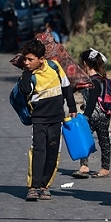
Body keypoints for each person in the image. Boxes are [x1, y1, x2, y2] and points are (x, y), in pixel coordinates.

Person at [17, 39, 77, 201]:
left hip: (56, 119)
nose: (27, 62)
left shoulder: (54, 67)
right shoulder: (28, 74)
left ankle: (45, 185)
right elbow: (24, 90)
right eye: (25, 59)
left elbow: (66, 88)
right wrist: (27, 72)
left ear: (41, 59)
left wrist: (72, 108)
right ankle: (34, 186)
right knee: (38, 151)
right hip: (38, 119)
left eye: (30, 59)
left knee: (52, 151)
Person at [72, 48, 111, 179]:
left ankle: (84, 166)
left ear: (84, 63)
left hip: (94, 115)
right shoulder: (98, 79)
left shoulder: (93, 81)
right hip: (104, 115)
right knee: (104, 141)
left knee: (84, 139)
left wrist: (86, 116)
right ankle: (105, 168)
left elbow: (93, 98)